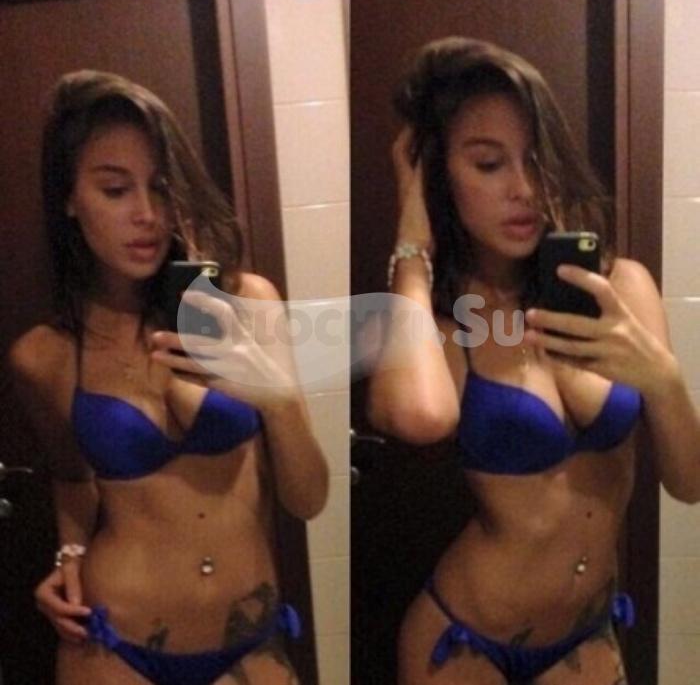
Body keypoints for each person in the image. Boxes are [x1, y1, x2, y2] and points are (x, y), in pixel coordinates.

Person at [368, 37, 700, 685]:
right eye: (489, 164)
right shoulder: (447, 320)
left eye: (536, 159)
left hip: (586, 635)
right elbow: (418, 415)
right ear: (438, 177)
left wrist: (662, 378)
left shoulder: (621, 287)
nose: (524, 189)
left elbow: (689, 483)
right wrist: (411, 246)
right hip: (464, 644)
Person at [8, 70, 329, 685]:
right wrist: (70, 554)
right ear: (70, 199)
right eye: (115, 189)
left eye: (160, 186)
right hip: (112, 647)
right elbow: (72, 478)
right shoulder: (44, 355)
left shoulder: (245, 304)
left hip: (247, 642)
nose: (148, 214)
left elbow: (308, 499)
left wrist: (278, 397)